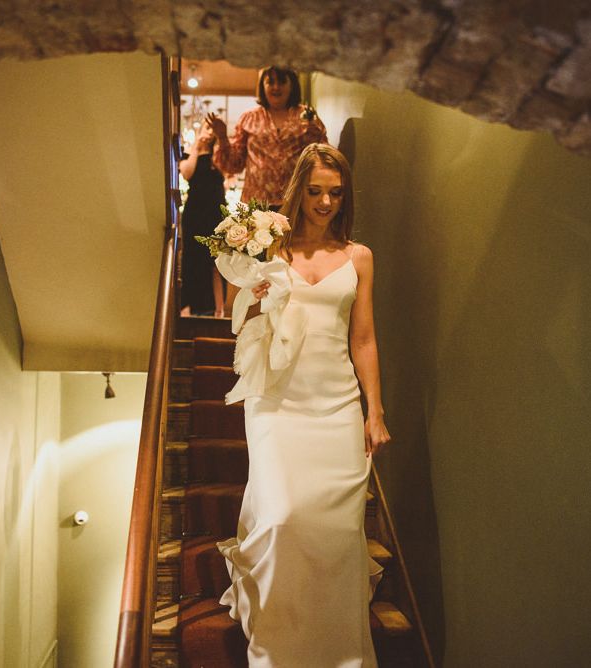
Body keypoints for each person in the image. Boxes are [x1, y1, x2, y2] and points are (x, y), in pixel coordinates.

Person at [217, 144, 391, 667]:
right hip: (277, 400)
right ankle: (277, 646)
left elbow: (363, 339)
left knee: (337, 533)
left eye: (335, 193)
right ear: (298, 189)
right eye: (314, 191)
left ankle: (335, 650)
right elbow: (239, 314)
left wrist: (374, 411)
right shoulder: (270, 248)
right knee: (282, 518)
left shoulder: (359, 257)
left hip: (336, 404)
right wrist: (259, 289)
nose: (324, 202)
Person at [206, 66, 328, 209]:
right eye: (270, 82)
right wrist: (222, 137)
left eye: (282, 82)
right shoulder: (249, 118)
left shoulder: (307, 117)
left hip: (295, 203)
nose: (276, 87)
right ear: (262, 85)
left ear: (292, 85)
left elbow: (321, 157)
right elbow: (234, 166)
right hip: (255, 205)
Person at [179, 124, 227, 317]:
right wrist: (196, 148)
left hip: (216, 213)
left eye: (211, 129)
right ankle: (190, 307)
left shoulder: (219, 156)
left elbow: (227, 171)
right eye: (206, 128)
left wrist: (218, 145)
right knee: (193, 259)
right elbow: (186, 173)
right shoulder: (189, 155)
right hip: (195, 213)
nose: (208, 132)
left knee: (217, 261)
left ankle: (219, 309)